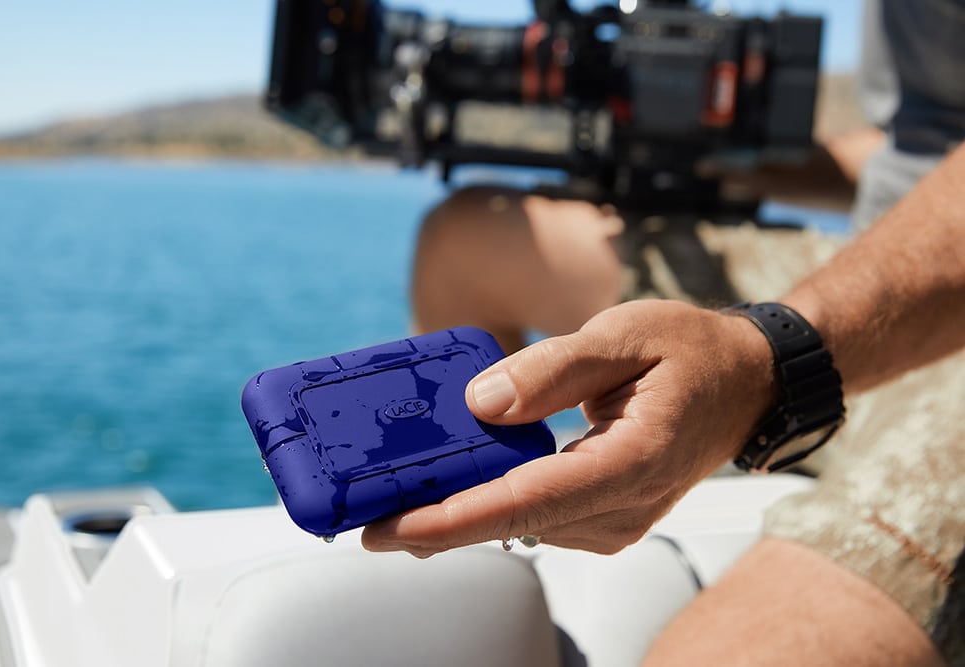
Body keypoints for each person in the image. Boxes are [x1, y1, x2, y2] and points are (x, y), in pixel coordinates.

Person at [365, 0, 965, 663]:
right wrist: (716, 156)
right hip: (890, 242)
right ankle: (486, 513)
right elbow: (919, 147)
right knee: (465, 243)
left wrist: (770, 352)